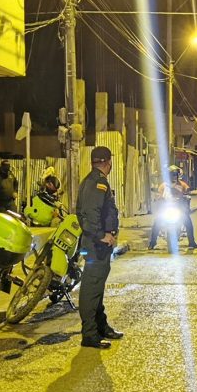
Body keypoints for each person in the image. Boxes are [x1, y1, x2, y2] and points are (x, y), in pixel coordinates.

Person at [75, 146, 123, 348]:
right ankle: (90, 334)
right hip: (96, 245)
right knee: (91, 289)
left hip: (97, 244)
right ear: (108, 162)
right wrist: (102, 235)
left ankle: (101, 326)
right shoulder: (97, 183)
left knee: (97, 288)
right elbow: (90, 213)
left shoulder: (93, 180)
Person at [148, 165, 197, 250]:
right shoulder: (163, 186)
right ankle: (152, 243)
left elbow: (187, 191)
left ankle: (192, 242)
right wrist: (158, 197)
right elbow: (159, 194)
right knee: (157, 222)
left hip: (179, 208)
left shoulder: (182, 184)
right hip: (166, 208)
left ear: (178, 175)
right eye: (171, 174)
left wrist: (188, 195)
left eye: (175, 174)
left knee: (188, 222)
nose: (173, 176)